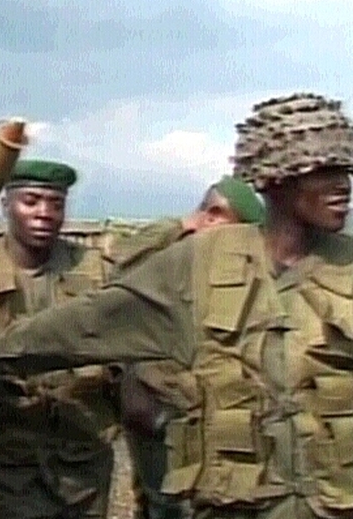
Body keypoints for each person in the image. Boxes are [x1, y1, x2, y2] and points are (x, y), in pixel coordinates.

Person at [0, 92, 353, 519]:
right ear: (274, 178)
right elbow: (89, 323)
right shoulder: (202, 262)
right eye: (322, 170)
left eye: (345, 169)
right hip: (238, 505)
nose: (342, 185)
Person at [0, 159, 116, 519]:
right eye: (31, 201)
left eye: (56, 204)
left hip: (80, 455)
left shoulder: (94, 269)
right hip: (1, 456)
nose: (44, 214)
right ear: (6, 206)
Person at [108, 176, 264, 519]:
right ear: (212, 215)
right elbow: (118, 269)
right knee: (166, 502)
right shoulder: (162, 253)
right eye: (234, 229)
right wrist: (183, 226)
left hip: (206, 408)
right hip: (158, 407)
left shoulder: (217, 264)